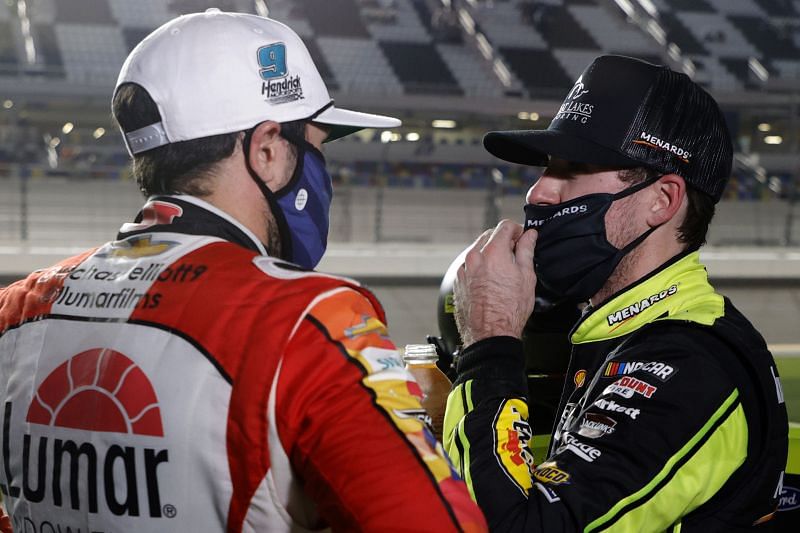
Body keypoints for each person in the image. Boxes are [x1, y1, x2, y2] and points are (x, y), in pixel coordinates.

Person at [0, 10, 486, 532]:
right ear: (270, 151)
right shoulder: (310, 321)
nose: (324, 174)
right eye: (317, 148)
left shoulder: (17, 312)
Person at [444, 54, 788, 531]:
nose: (539, 193)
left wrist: (489, 345)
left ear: (661, 200)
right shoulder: (620, 334)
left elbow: (518, 526)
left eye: (574, 167)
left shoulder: (690, 364)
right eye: (547, 167)